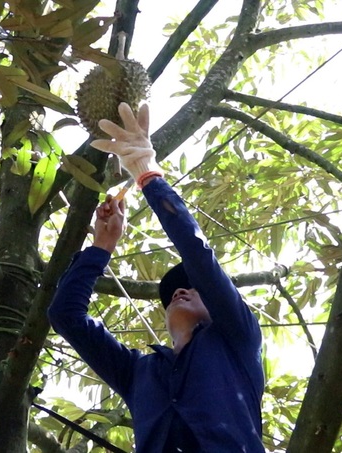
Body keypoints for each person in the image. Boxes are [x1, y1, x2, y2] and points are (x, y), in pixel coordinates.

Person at [47, 103, 265, 452]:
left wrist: (147, 173)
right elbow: (65, 316)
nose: (182, 290)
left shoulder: (238, 339)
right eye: (175, 290)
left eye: (194, 288)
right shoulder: (139, 373)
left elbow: (199, 255)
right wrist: (101, 248)